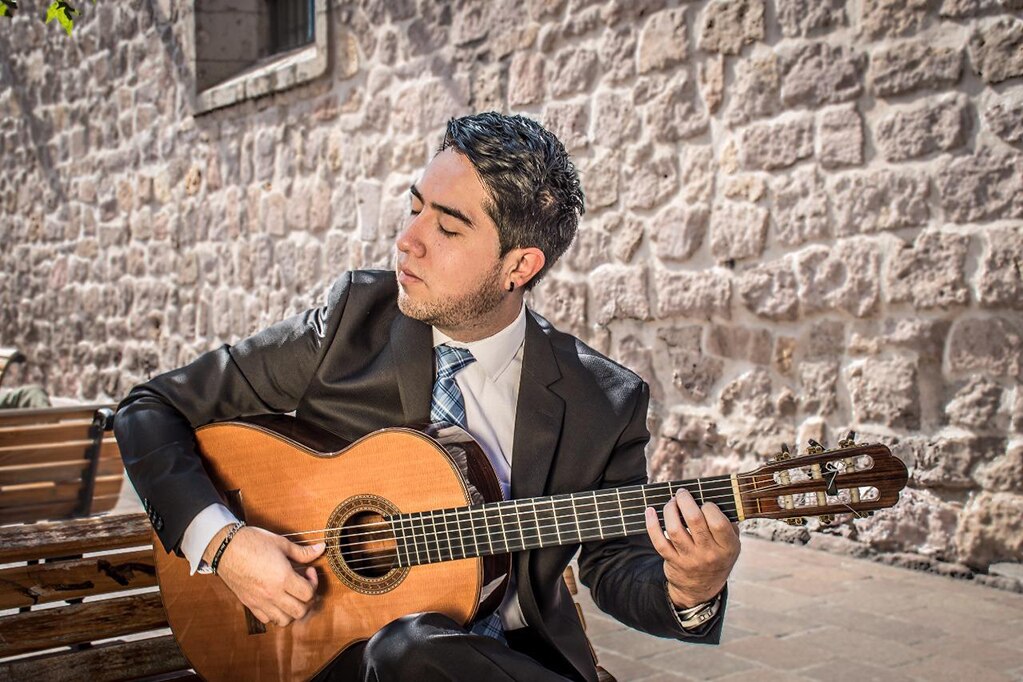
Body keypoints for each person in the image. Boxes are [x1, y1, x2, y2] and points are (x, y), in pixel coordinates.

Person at [114, 112, 740, 681]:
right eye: (415, 209)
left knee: (412, 653)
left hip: (510, 662)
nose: (407, 241)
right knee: (402, 651)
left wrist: (691, 589)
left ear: (518, 267)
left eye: (445, 227)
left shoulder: (603, 400)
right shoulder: (353, 321)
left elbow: (614, 568)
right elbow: (150, 408)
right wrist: (224, 545)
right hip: (332, 655)